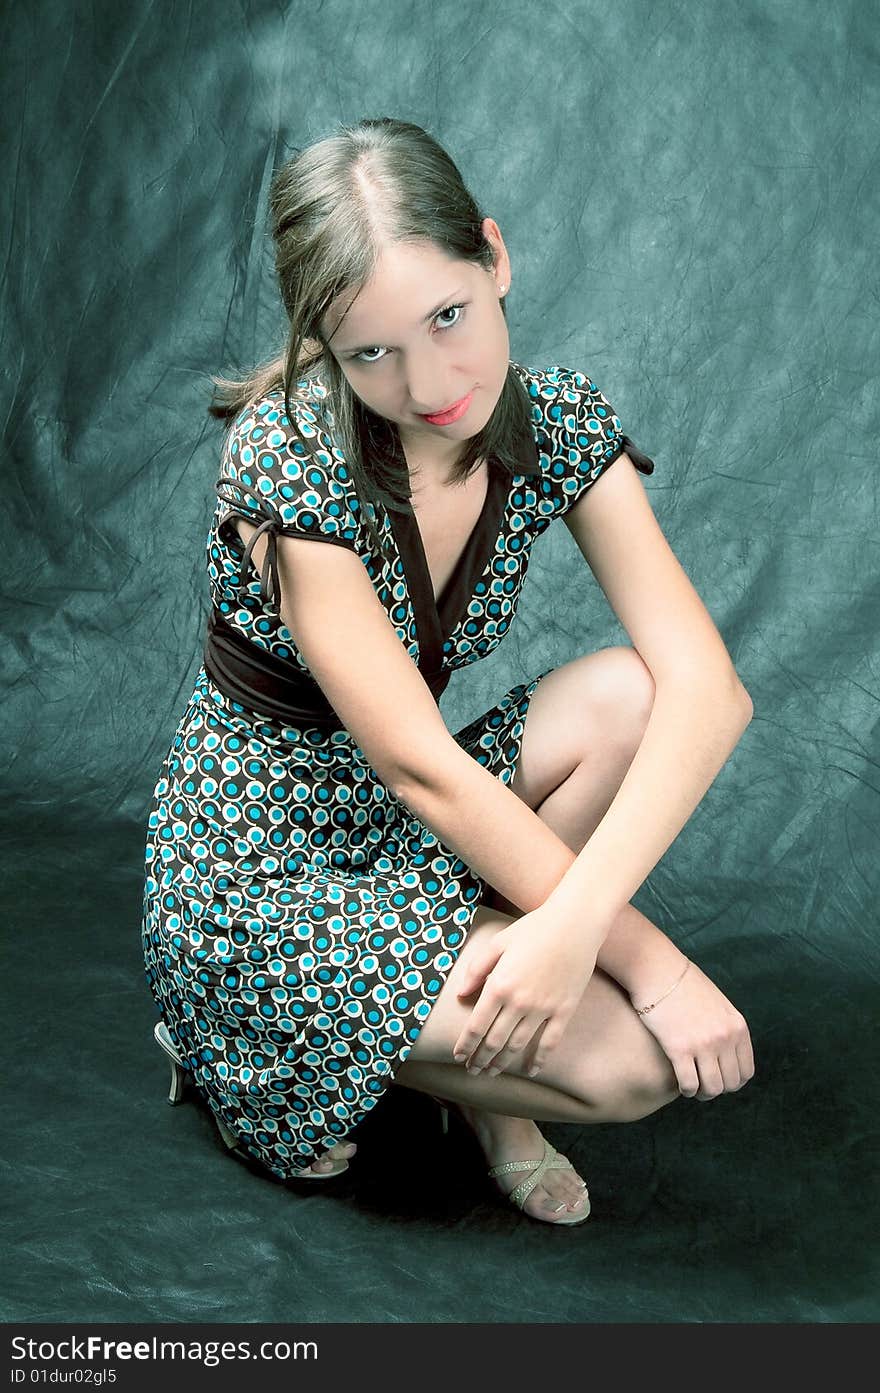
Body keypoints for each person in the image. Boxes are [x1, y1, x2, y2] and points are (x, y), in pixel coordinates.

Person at [142, 116, 756, 1228]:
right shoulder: (287, 456)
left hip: (404, 835)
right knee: (631, 1067)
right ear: (324, 343)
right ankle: (232, 1038)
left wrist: (563, 931)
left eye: (448, 317)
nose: (430, 382)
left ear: (494, 255)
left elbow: (709, 691)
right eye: (372, 350)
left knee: (634, 692)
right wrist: (639, 961)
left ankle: (478, 1071)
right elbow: (421, 767)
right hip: (261, 883)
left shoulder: (556, 421)